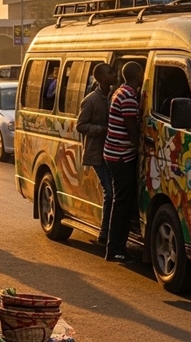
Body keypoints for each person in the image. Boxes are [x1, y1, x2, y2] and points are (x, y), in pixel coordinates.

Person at [103, 61, 144, 263]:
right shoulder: (128, 96)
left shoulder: (121, 91)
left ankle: (116, 246)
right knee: (122, 204)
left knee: (122, 201)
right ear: (138, 74)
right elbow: (131, 127)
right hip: (120, 155)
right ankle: (116, 249)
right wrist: (141, 147)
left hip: (115, 153)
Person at [76, 63, 117, 246]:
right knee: (110, 192)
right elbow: (80, 125)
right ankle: (104, 234)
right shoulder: (91, 100)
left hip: (113, 152)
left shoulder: (114, 96)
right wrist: (102, 130)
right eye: (110, 73)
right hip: (97, 153)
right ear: (101, 79)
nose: (114, 75)